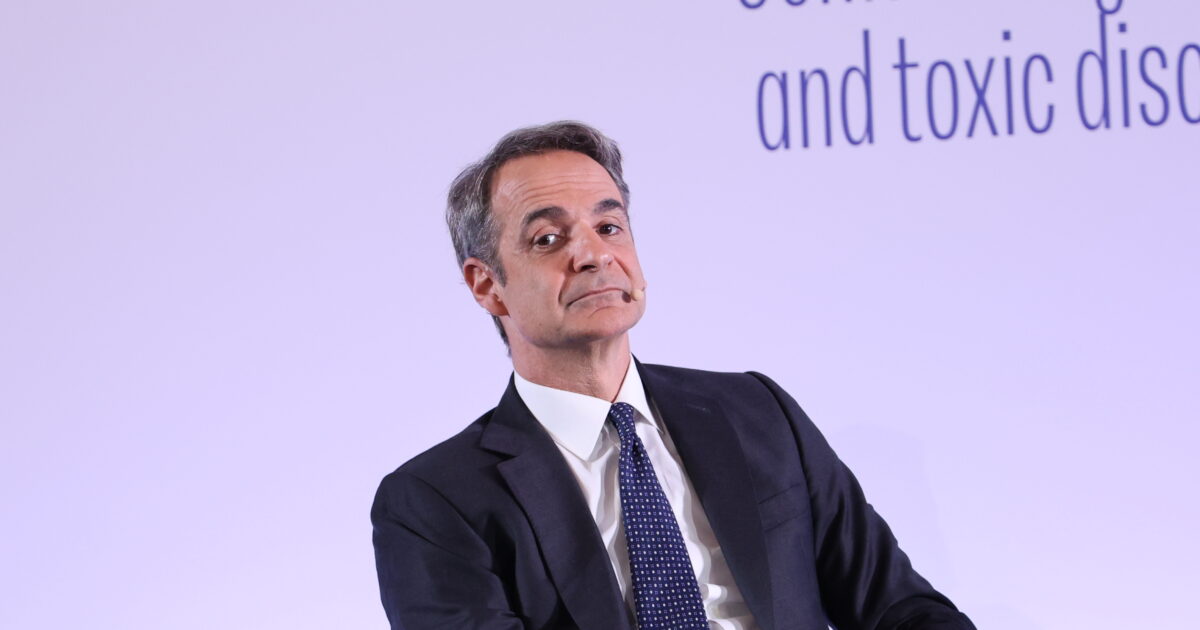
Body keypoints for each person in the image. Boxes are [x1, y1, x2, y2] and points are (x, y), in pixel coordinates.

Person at [371, 121, 975, 630]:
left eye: (610, 228)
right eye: (548, 238)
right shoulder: (434, 502)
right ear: (486, 285)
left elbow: (899, 608)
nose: (594, 255)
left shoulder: (758, 410)